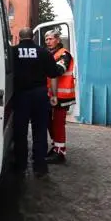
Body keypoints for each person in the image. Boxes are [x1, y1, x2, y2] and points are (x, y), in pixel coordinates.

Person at [12, 27, 65, 178]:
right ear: (33, 37)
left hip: (20, 95)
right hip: (40, 95)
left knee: (20, 132)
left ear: (20, 37)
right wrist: (53, 95)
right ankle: (39, 166)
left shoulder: (13, 52)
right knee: (40, 131)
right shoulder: (43, 52)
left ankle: (20, 165)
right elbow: (53, 74)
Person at [44, 29, 76, 165]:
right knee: (49, 122)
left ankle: (60, 152)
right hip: (53, 95)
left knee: (58, 124)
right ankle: (56, 146)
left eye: (51, 39)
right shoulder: (51, 53)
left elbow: (58, 71)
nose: (48, 42)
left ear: (58, 39)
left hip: (62, 96)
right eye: (46, 39)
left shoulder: (64, 54)